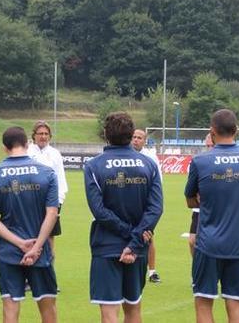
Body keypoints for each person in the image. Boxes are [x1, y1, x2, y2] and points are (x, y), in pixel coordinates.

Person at [184, 109, 239, 323]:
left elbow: (190, 200)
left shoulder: (201, 161)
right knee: (236, 304)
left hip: (209, 243)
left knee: (203, 301)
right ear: (236, 130)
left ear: (212, 131)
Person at [85, 112, 162, 323]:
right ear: (131, 135)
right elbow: (156, 209)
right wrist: (135, 239)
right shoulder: (149, 164)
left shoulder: (93, 166)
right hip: (138, 247)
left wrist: (128, 235)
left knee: (109, 313)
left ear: (105, 134)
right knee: (134, 308)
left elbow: (99, 211)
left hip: (106, 246)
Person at [0, 126, 60, 323]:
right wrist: (36, 247)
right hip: (40, 252)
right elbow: (52, 213)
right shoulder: (47, 173)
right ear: (27, 144)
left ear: (4, 148)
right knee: (48, 307)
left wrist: (19, 243)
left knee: (10, 307)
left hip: (8, 251)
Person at [27, 121, 68, 256]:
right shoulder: (27, 152)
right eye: (40, 134)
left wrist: (59, 201)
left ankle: (49, 270)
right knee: (30, 235)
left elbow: (60, 178)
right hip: (30, 201)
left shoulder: (55, 154)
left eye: (46, 134)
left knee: (49, 237)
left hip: (51, 202)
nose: (43, 137)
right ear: (34, 135)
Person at [131, 129, 162, 283]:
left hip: (146, 204)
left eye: (139, 138)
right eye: (134, 137)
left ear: (145, 141)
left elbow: (158, 183)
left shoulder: (150, 157)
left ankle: (152, 271)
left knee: (149, 237)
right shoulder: (127, 155)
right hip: (131, 203)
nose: (136, 140)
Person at [188, 133, 214, 256]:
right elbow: (190, 187)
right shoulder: (199, 161)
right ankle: (196, 271)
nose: (210, 147)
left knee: (212, 242)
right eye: (208, 145)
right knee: (192, 241)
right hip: (199, 208)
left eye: (212, 145)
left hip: (216, 208)